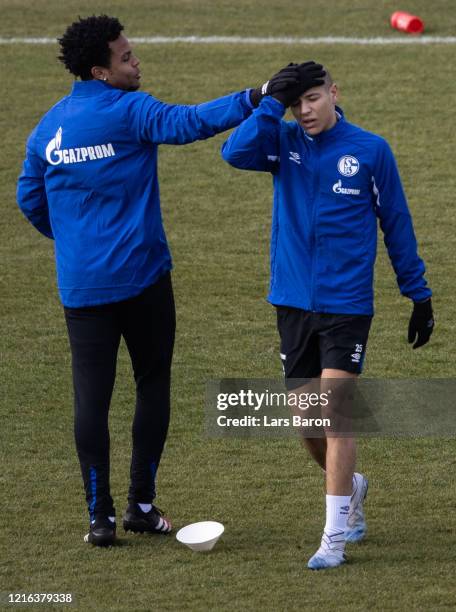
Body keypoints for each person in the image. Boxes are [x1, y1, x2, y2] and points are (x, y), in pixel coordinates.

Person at [16, 14, 325, 546]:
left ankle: (100, 518)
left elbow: (30, 199)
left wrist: (74, 242)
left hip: (82, 288)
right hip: (142, 281)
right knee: (151, 384)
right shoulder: (130, 110)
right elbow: (190, 123)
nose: (137, 62)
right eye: (126, 58)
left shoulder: (48, 128)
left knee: (90, 400)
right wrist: (258, 95)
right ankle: (140, 504)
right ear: (101, 71)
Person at [221, 65, 434, 569]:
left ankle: (333, 540)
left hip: (346, 306)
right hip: (292, 303)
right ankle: (353, 488)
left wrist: (417, 294)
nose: (307, 110)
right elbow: (233, 153)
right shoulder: (281, 141)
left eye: (314, 98)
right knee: (307, 423)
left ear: (335, 93)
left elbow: (396, 222)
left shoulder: (370, 150)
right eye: (299, 103)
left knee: (336, 417)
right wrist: (271, 103)